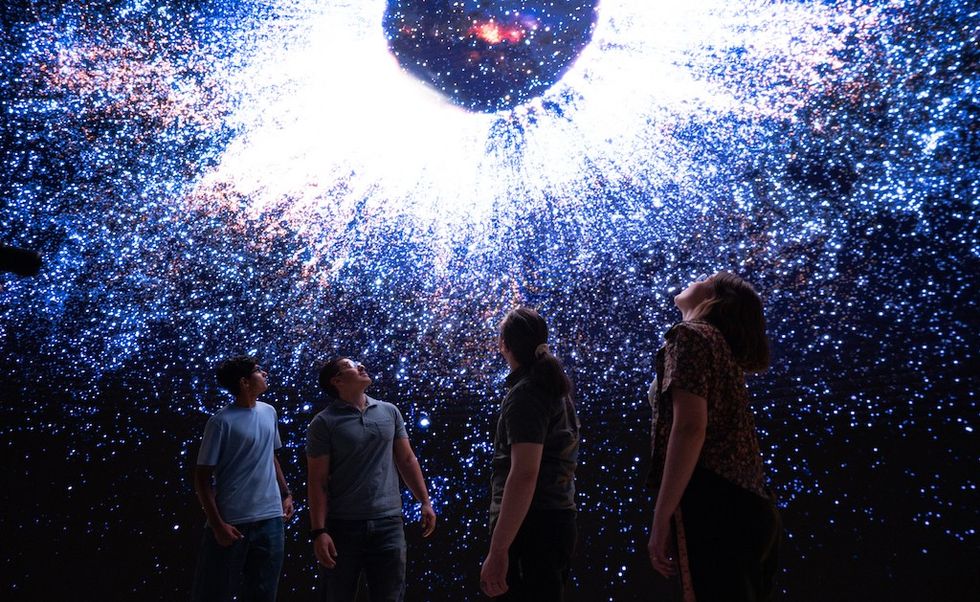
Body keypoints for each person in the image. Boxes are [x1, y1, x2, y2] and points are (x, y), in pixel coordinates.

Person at [646, 272, 782, 602]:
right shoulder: (717, 346)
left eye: (707, 278)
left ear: (713, 299)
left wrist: (661, 516)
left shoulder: (689, 335)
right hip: (750, 506)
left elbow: (690, 427)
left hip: (716, 505)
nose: (695, 278)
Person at [306, 357, 437, 602]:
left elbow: (407, 460)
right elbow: (317, 481)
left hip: (388, 524)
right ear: (337, 381)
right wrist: (319, 531)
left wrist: (425, 501)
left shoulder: (389, 411)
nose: (362, 366)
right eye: (351, 366)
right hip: (343, 527)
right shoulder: (323, 423)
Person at [481, 307, 580, 601]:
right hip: (553, 521)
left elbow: (524, 473)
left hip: (531, 526)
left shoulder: (526, 393)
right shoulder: (553, 387)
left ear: (504, 346)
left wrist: (498, 551)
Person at [191, 355, 295, 602]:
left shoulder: (269, 412)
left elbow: (269, 453)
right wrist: (217, 525)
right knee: (214, 592)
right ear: (244, 382)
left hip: (270, 519)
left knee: (263, 593)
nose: (265, 373)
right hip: (234, 521)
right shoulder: (220, 422)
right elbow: (202, 478)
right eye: (258, 371)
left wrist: (286, 493)